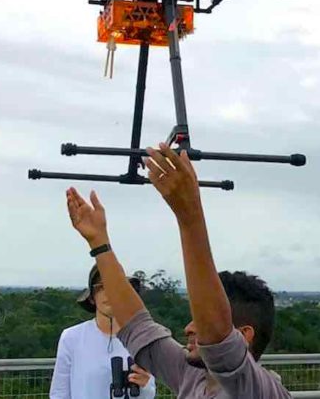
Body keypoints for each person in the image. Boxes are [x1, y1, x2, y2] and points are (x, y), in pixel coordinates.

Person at [65, 141, 291, 398]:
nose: (189, 329)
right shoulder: (192, 375)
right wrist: (100, 244)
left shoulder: (259, 390)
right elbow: (137, 326)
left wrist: (189, 213)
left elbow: (218, 338)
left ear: (243, 335)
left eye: (201, 321)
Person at [49, 264, 156, 399]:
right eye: (101, 287)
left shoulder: (141, 338)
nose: (109, 293)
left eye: (115, 286)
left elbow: (149, 394)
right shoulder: (72, 338)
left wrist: (145, 386)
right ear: (92, 298)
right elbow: (59, 392)